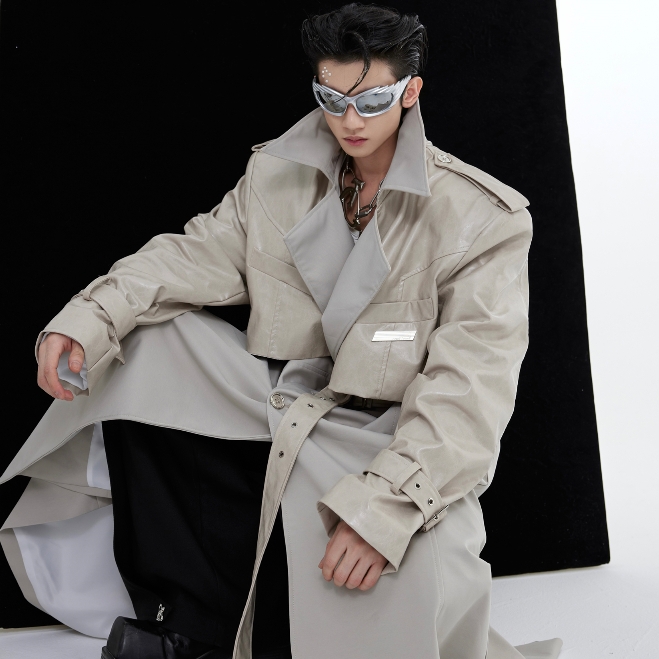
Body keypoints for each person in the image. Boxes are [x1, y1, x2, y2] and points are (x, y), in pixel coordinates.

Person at [0, 4, 563, 659]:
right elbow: (192, 255)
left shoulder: (482, 219)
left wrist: (387, 505)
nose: (350, 120)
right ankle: (191, 629)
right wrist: (89, 317)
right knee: (146, 342)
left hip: (386, 434)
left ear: (411, 92)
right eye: (332, 98)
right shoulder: (277, 173)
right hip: (283, 399)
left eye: (371, 101)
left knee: (402, 582)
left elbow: (468, 391)